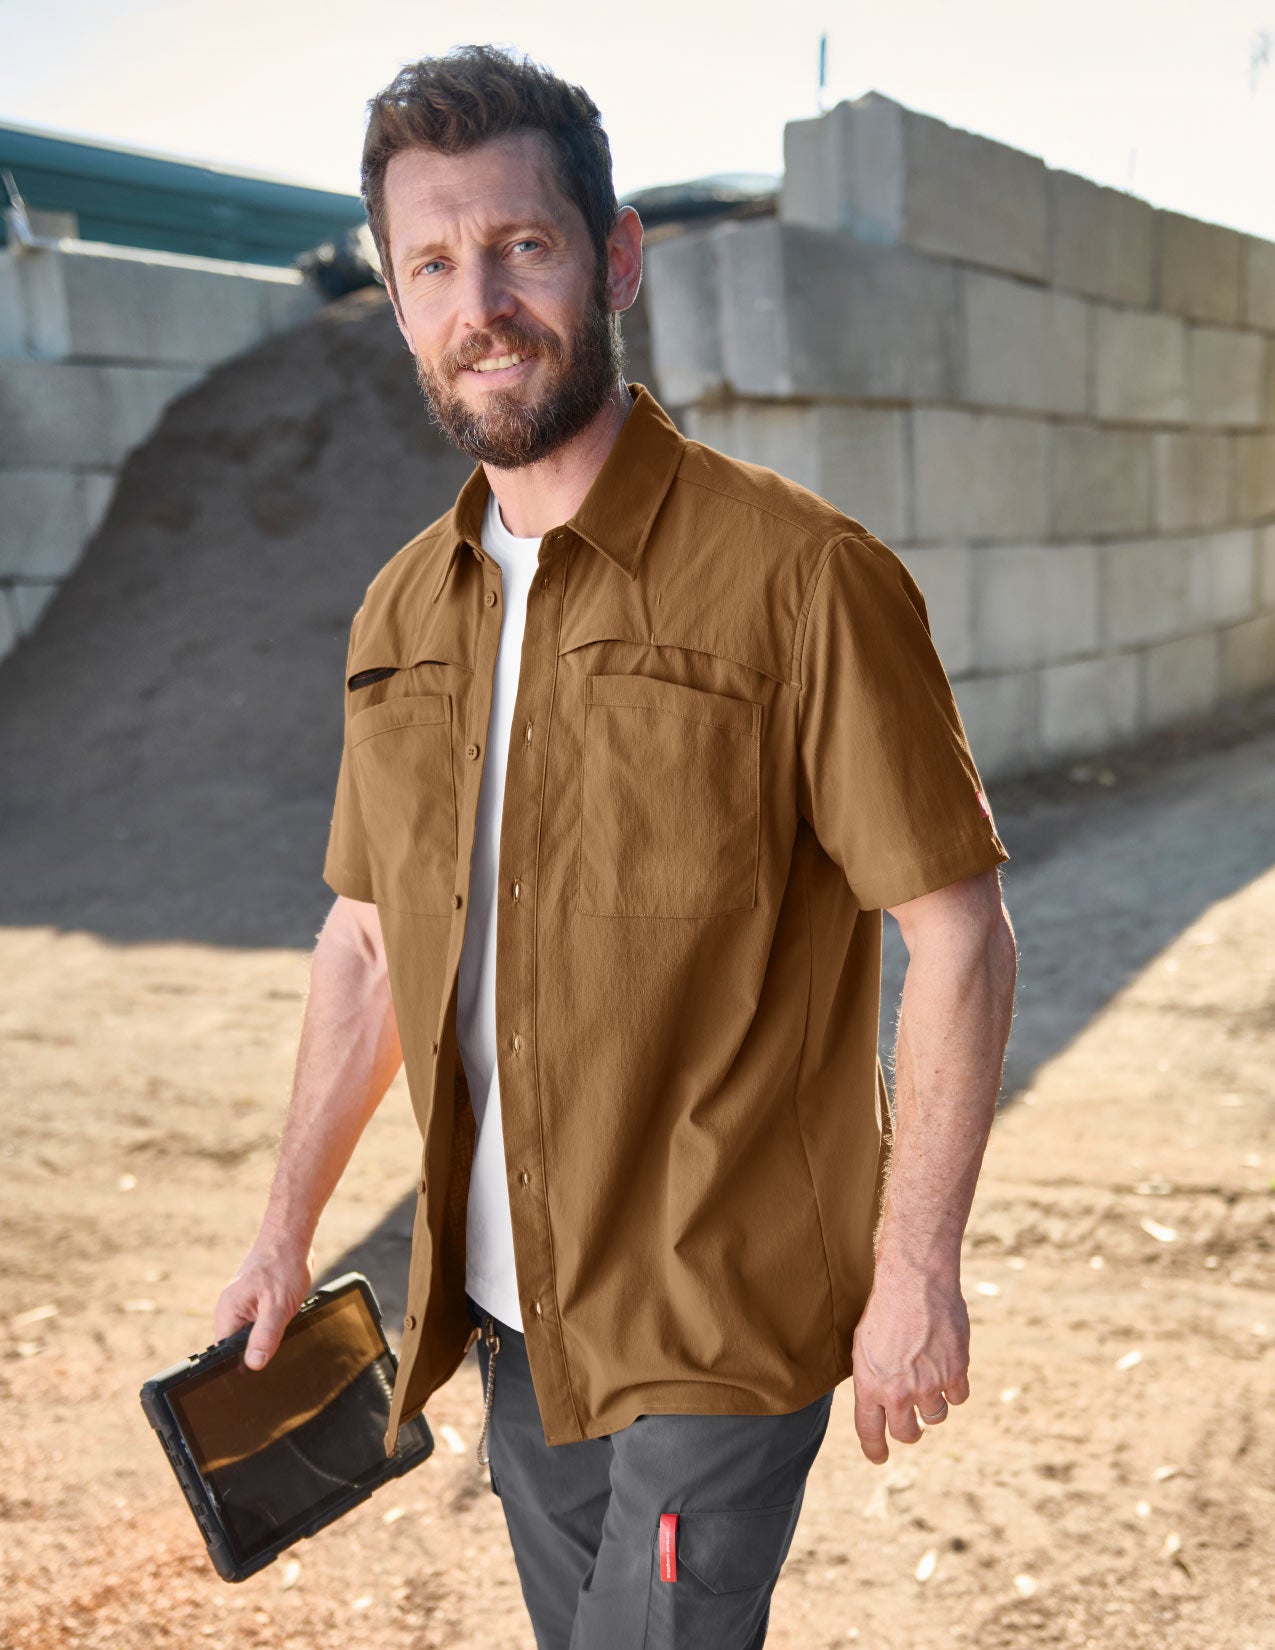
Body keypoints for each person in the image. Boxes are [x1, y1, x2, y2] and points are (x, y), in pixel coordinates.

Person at [214, 42, 1018, 1650]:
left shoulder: (803, 578)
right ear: (395, 298)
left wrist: (916, 1264)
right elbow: (369, 942)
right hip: (515, 1322)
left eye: (522, 244)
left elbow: (961, 932)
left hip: (721, 1309)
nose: (480, 302)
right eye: (432, 263)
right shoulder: (397, 611)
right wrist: (286, 1226)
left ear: (615, 256)